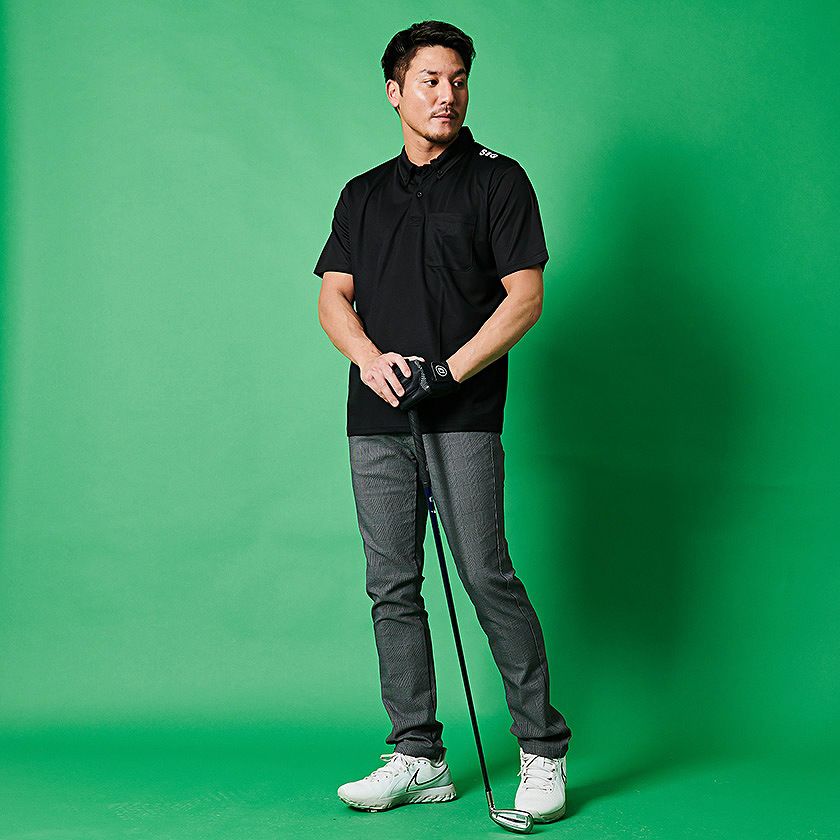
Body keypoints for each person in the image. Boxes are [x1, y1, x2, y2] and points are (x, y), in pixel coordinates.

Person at [313, 20, 572, 823]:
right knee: (391, 585)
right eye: (430, 80)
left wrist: (449, 371)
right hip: (377, 417)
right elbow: (333, 296)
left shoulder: (499, 181)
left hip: (461, 413)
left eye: (458, 80)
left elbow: (524, 298)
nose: (447, 94)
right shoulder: (362, 194)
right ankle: (418, 756)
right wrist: (369, 359)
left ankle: (542, 751)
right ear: (395, 92)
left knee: (485, 573)